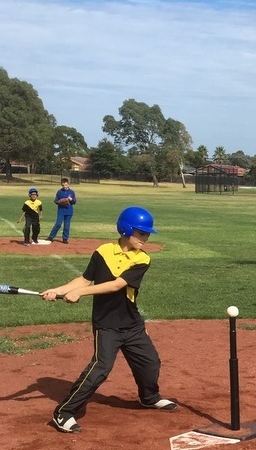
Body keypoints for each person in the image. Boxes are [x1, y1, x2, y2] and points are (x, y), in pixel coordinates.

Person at [41, 206, 176, 433]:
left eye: (147, 233)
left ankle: (149, 397)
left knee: (150, 362)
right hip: (107, 324)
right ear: (125, 229)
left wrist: (79, 294)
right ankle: (63, 413)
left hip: (132, 323)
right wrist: (58, 289)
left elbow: (116, 285)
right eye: (141, 233)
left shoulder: (142, 259)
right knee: (101, 368)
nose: (146, 237)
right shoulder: (103, 251)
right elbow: (84, 280)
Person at [47, 178, 77, 243]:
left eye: (66, 185)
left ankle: (65, 238)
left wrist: (71, 199)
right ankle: (51, 237)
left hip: (69, 211)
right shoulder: (59, 192)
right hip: (61, 210)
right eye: (63, 185)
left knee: (67, 225)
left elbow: (74, 202)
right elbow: (55, 200)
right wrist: (59, 202)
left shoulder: (71, 192)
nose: (64, 186)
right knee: (58, 224)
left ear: (68, 184)